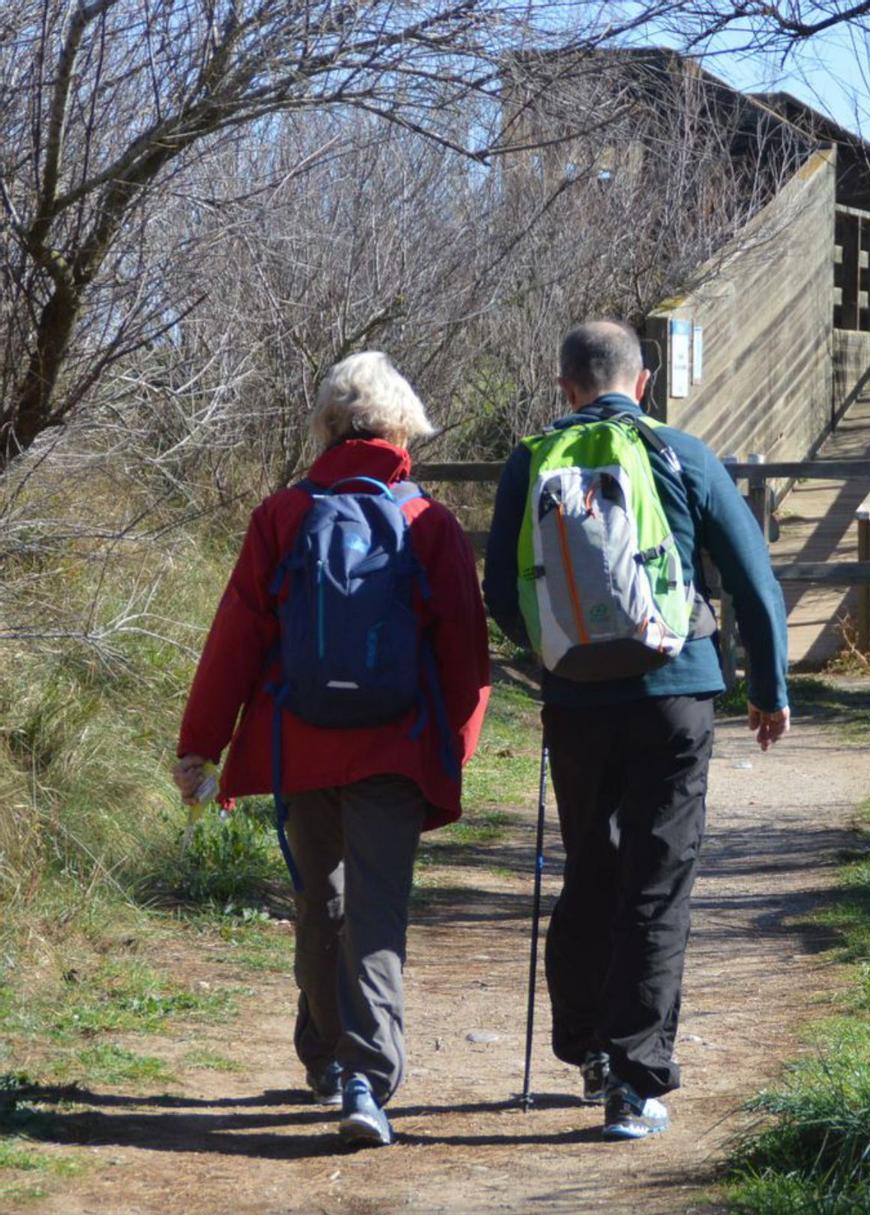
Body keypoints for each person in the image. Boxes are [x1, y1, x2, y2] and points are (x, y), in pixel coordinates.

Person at [173, 352, 490, 1147]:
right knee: (375, 913)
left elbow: (235, 639)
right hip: (394, 749)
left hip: (297, 746)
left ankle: (324, 1051)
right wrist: (453, 750)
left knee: (323, 901)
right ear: (403, 427)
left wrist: (201, 746)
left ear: (325, 424)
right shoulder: (430, 522)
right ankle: (363, 1078)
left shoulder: (281, 516)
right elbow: (465, 657)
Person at [484, 318, 789, 1140]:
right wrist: (768, 686)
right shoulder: (683, 455)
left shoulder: (530, 459)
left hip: (576, 704)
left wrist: (557, 654)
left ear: (565, 387)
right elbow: (755, 580)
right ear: (642, 383)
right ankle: (634, 1079)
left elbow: (503, 594)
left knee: (591, 867)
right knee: (657, 877)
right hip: (674, 695)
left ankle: (587, 1051)